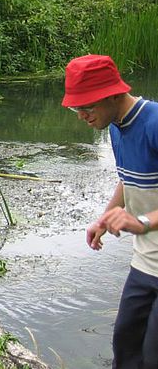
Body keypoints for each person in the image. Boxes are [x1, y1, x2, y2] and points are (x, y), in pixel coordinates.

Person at [64, 54, 158, 368]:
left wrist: (141, 222)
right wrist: (105, 218)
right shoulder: (116, 127)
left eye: (87, 105)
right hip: (146, 264)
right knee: (125, 346)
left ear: (113, 94)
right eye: (76, 107)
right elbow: (127, 180)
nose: (81, 114)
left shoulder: (155, 124)